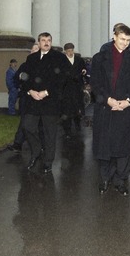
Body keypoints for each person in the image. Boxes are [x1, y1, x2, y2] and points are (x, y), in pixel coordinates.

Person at [91, 23, 130, 196]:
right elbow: (95, 84)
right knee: (105, 148)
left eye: (128, 40)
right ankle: (104, 180)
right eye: (122, 39)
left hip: (125, 110)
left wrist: (128, 101)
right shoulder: (100, 58)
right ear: (114, 36)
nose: (125, 43)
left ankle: (121, 181)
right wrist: (108, 100)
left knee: (123, 150)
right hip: (106, 109)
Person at [18, 33, 70, 174]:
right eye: (43, 40)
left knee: (49, 133)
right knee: (27, 126)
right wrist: (30, 91)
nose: (46, 43)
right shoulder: (31, 58)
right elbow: (24, 77)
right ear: (39, 42)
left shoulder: (59, 58)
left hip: (50, 101)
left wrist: (46, 92)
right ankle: (36, 151)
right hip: (33, 100)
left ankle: (48, 162)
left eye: (49, 40)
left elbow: (63, 79)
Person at [6, 43, 40, 153]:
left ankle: (40, 145)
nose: (34, 51)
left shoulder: (44, 65)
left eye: (37, 49)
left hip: (40, 100)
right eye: (33, 49)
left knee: (40, 123)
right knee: (24, 122)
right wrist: (21, 78)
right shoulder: (25, 65)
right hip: (27, 99)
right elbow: (16, 79)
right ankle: (17, 144)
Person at [61, 42, 86, 139]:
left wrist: (83, 72)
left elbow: (84, 69)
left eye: (71, 50)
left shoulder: (79, 60)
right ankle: (67, 130)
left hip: (77, 88)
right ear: (65, 51)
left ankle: (77, 124)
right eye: (68, 51)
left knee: (77, 107)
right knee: (67, 110)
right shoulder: (62, 61)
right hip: (66, 89)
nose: (70, 52)